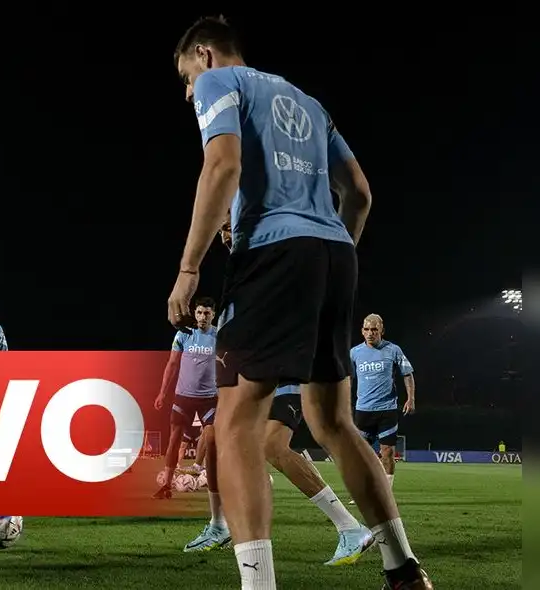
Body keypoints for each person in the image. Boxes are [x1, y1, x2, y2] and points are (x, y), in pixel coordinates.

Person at [166, 17, 431, 589]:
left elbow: (223, 165)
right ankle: (404, 569)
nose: (189, 92)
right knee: (332, 420)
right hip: (334, 255)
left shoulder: (219, 82)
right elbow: (359, 194)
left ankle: (258, 584)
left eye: (186, 78)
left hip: (273, 253)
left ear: (204, 55)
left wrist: (189, 269)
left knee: (236, 424)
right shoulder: (309, 103)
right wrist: (330, 258)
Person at [183, 223, 376, 565]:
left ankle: (350, 528)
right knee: (217, 441)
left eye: (230, 224)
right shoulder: (241, 273)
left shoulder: (269, 261)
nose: (225, 233)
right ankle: (220, 525)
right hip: (254, 378)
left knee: (272, 446)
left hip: (283, 376)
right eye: (222, 228)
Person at [153, 297, 219, 500]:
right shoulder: (184, 334)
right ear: (194, 313)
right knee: (174, 440)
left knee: (211, 438)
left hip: (209, 398)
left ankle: (210, 482)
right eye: (199, 312)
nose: (202, 317)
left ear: (213, 315)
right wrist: (162, 393)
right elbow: (172, 364)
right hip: (183, 397)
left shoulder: (219, 336)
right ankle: (166, 486)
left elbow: (229, 363)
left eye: (206, 313)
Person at [351, 314, 415, 493]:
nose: (370, 333)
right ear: (362, 331)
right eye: (366, 329)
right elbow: (348, 379)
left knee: (387, 452)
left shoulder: (393, 350)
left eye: (374, 329)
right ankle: (365, 492)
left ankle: (386, 494)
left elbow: (407, 374)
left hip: (387, 410)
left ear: (382, 331)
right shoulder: (354, 353)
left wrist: (411, 398)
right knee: (362, 455)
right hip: (363, 410)